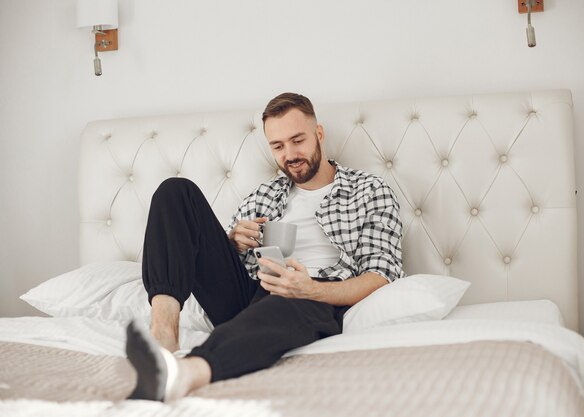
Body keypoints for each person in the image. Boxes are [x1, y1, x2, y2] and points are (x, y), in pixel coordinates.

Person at [126, 92, 405, 401]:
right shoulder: (264, 195)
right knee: (175, 192)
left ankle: (185, 373)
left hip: (313, 296)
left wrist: (311, 289)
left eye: (298, 140)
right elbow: (218, 262)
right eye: (278, 146)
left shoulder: (369, 190)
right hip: (251, 293)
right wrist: (233, 244)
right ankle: (163, 336)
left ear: (319, 134)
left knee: (282, 303)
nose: (290, 154)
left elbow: (382, 274)